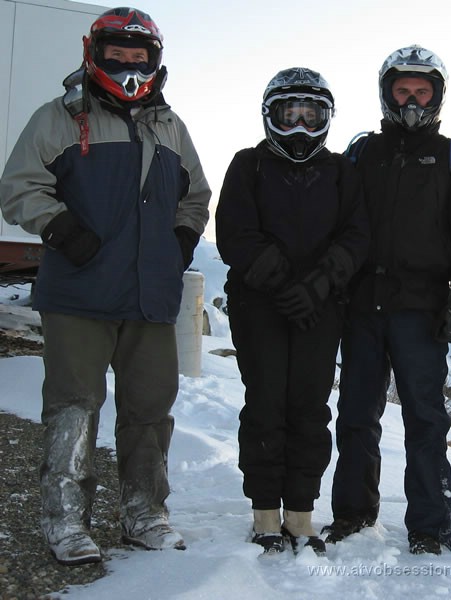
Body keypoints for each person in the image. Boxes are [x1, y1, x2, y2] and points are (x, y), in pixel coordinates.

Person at [0, 8, 211, 565]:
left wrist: (180, 245)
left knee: (149, 407)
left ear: (155, 61)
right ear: (95, 53)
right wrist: (60, 227)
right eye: (117, 53)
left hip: (149, 295)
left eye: (139, 57)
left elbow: (196, 196)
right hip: (80, 292)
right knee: (74, 405)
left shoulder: (170, 125)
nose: (128, 64)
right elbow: (19, 185)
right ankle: (65, 519)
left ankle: (145, 512)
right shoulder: (61, 117)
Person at [323, 45, 451, 555]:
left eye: (422, 91)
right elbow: (337, 219)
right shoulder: (361, 153)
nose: (412, 100)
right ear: (387, 94)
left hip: (422, 307)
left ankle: (431, 526)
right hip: (363, 301)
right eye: (403, 90)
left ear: (436, 97)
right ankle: (352, 514)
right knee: (355, 412)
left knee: (425, 416)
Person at [215, 67, 369, 557]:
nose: (301, 127)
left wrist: (321, 282)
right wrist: (282, 281)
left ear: (327, 119)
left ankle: (300, 511)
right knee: (265, 404)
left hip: (320, 307)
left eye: (312, 115)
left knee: (309, 407)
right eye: (290, 115)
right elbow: (234, 231)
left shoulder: (342, 170)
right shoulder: (248, 165)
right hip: (259, 303)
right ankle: (264, 511)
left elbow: (357, 235)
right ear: (270, 117)